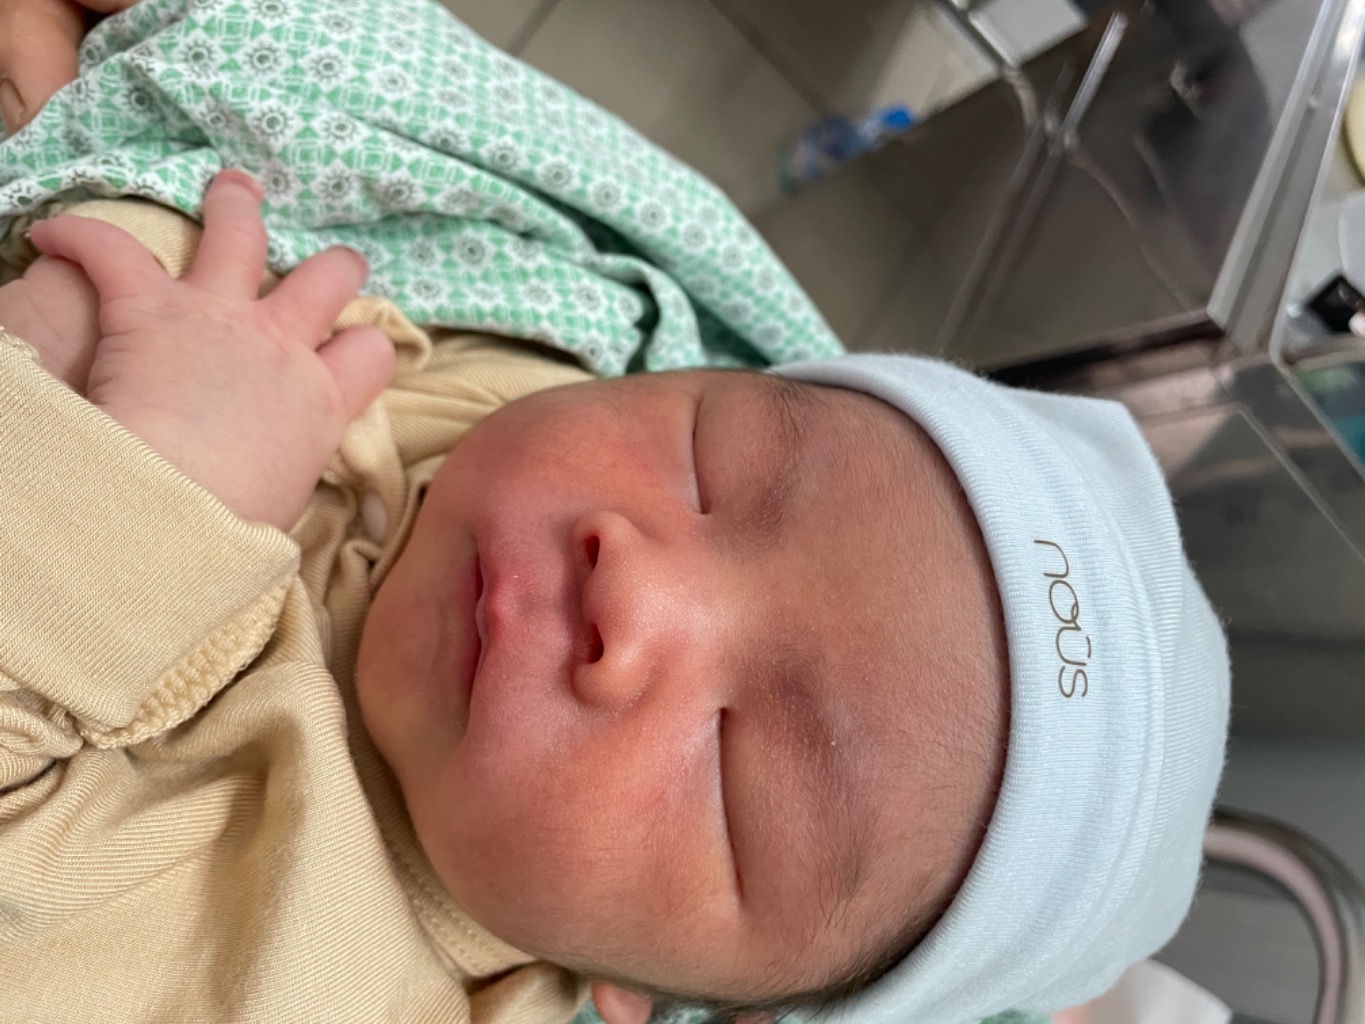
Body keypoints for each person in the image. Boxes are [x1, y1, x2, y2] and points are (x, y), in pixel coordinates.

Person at [0, 4, 1231, 1024]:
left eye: (738, 779)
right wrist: (130, 235)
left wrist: (132, 495)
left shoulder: (313, 972)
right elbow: (232, 179)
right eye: (714, 466)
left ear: (640, 995)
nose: (633, 586)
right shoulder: (514, 357)